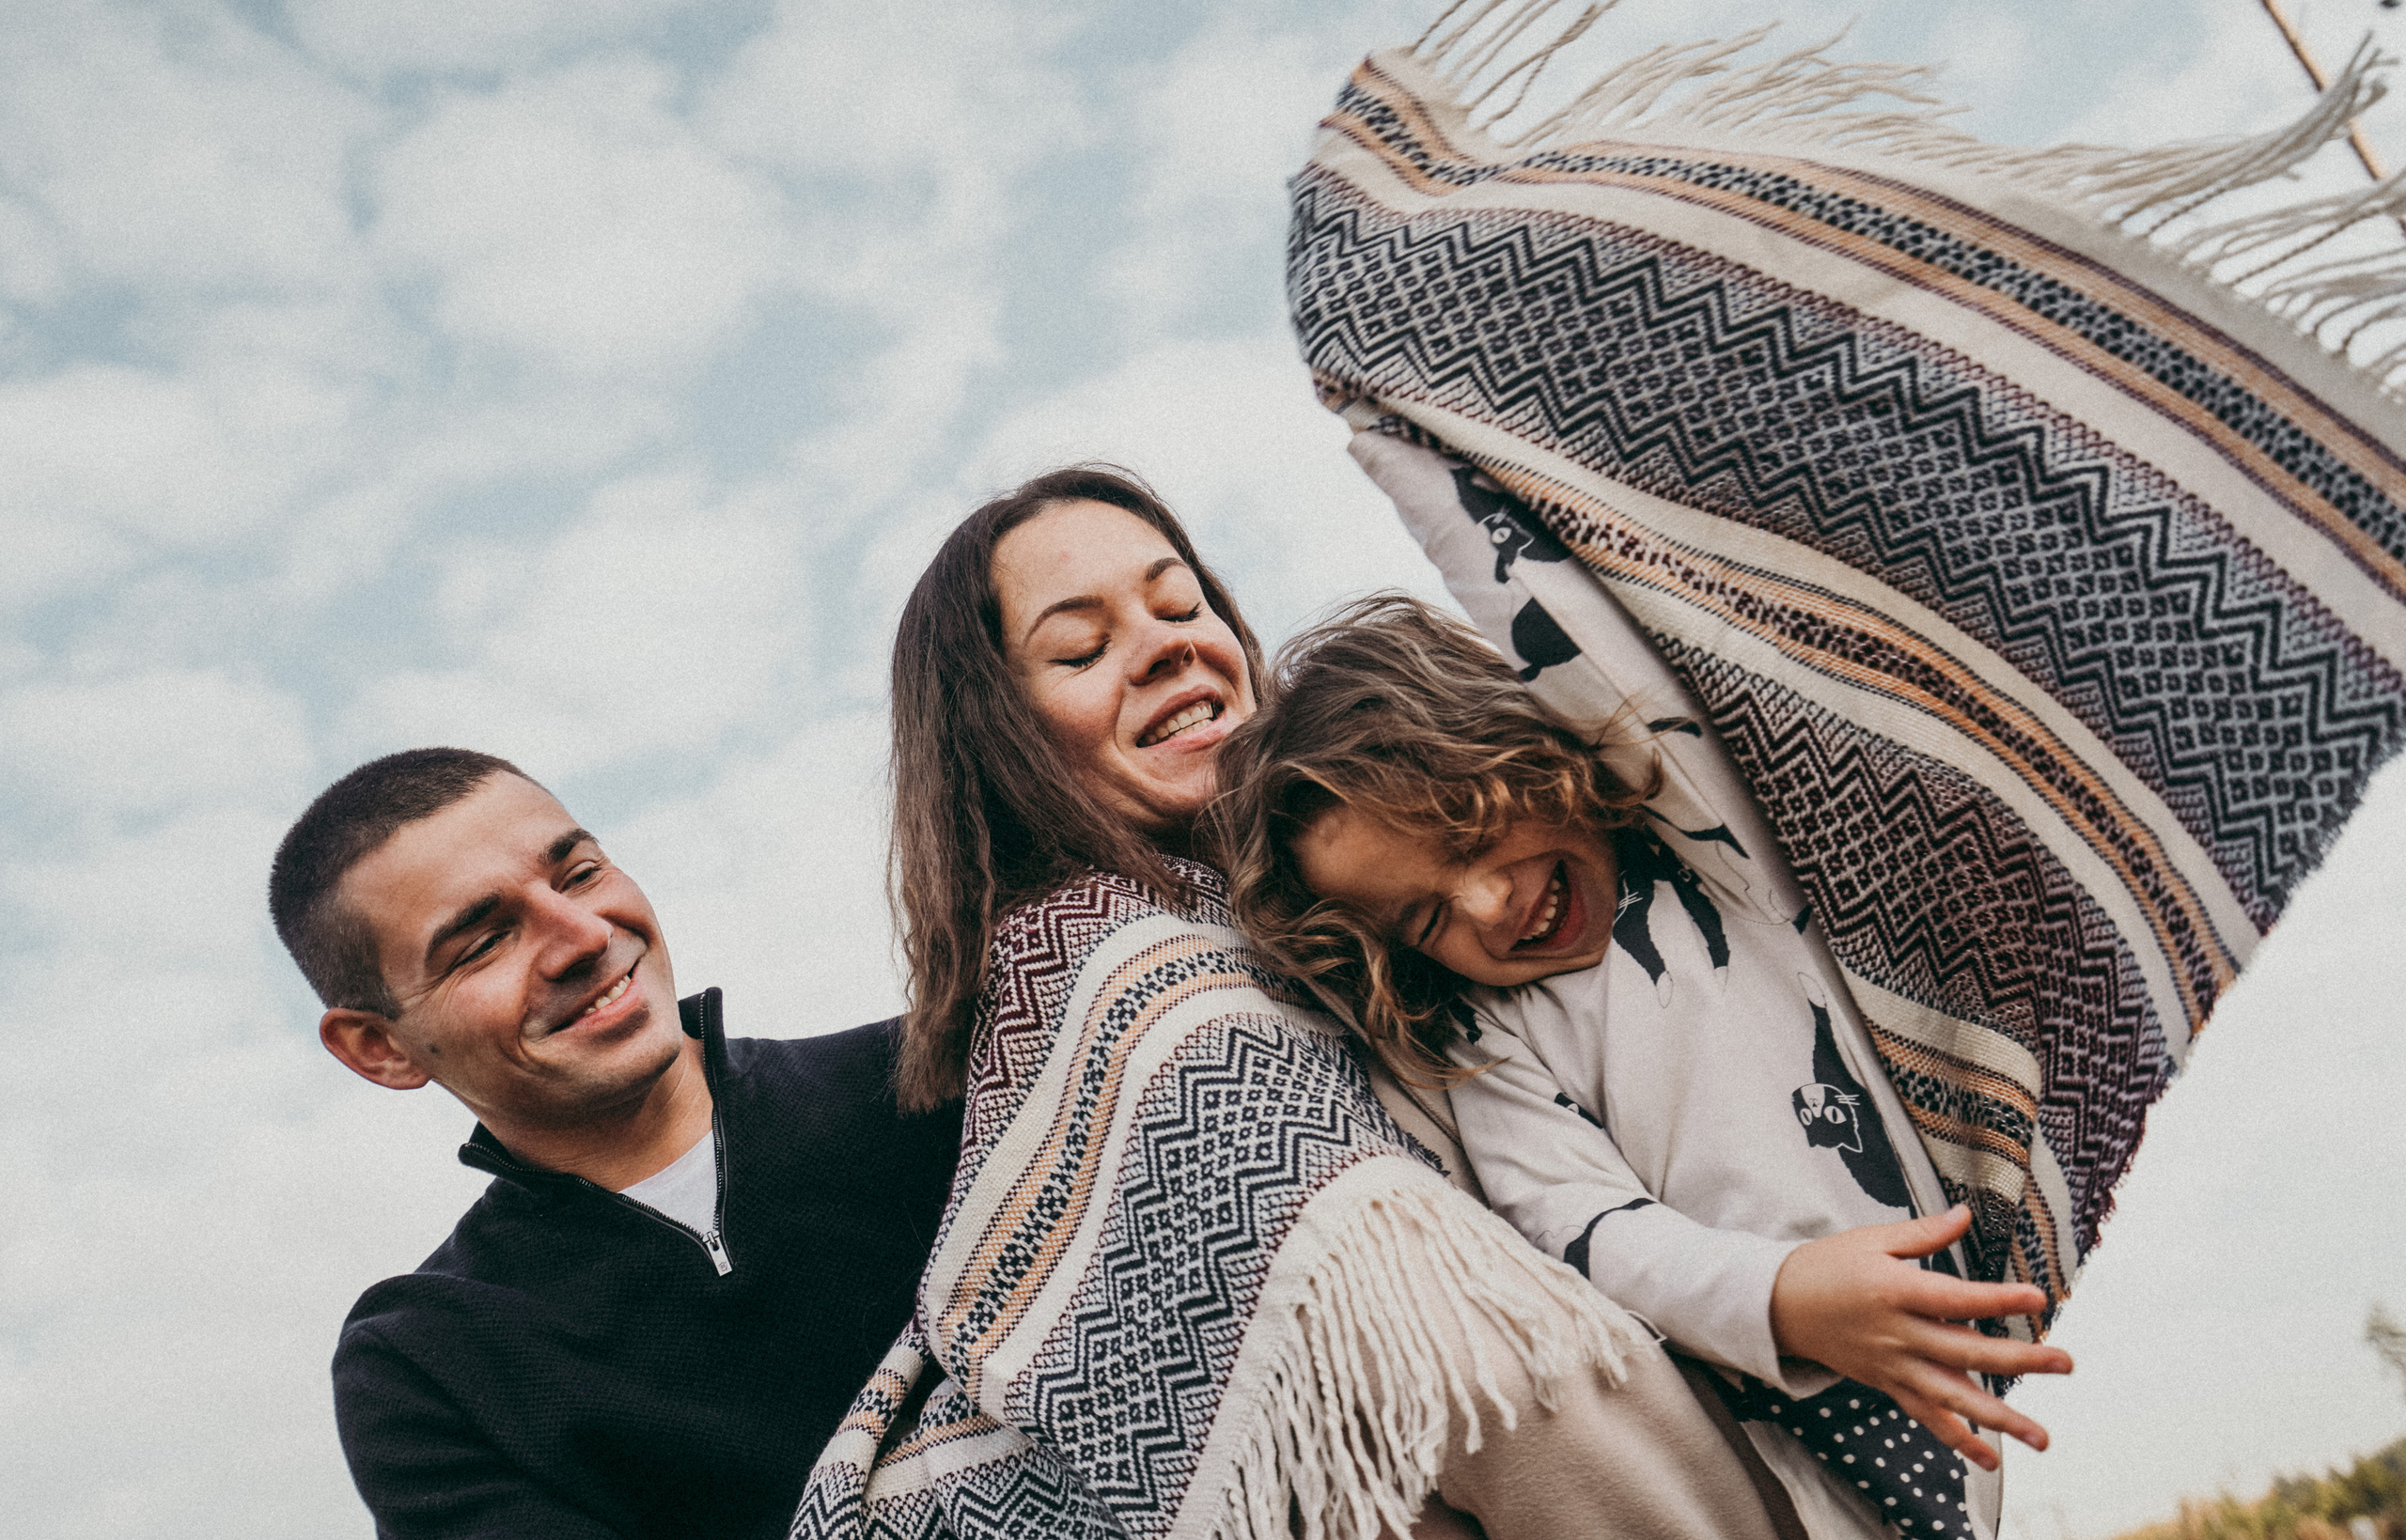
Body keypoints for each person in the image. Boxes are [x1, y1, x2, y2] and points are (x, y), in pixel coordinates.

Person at [821, 462, 1799, 1540]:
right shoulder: (1118, 966)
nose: (1164, 644)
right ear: (996, 743)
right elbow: (1481, 1371)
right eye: (1081, 649)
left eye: (1180, 601)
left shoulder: (1336, 907)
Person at [1208, 594, 2078, 1540]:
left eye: (1467, 831)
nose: (1487, 903)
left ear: (1522, 747)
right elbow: (1583, 1227)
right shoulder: (1494, 1035)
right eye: (1424, 920)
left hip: (1967, 1262)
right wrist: (1780, 1298)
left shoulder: (1703, 828)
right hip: (1803, 1386)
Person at [270, 748, 961, 1540]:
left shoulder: (950, 1081)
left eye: (581, 874)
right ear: (377, 1048)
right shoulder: (428, 1363)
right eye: (483, 943)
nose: (583, 937)